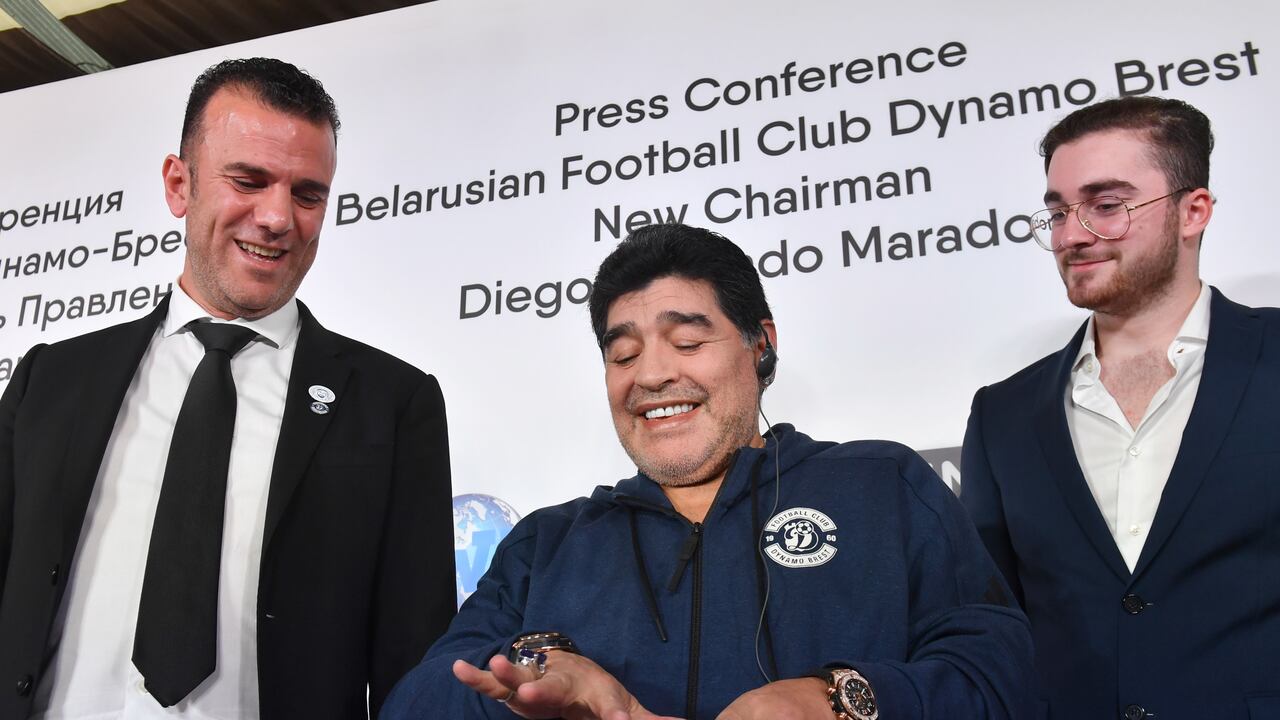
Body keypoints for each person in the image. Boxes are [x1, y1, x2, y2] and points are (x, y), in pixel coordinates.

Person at [382, 223, 1033, 720]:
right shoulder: (545, 546)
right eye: (624, 353)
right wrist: (539, 675)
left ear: (763, 346)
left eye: (688, 342)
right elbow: (421, 699)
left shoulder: (881, 488)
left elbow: (1002, 675)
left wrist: (838, 697)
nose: (653, 374)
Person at [0, 58, 454, 720]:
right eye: (249, 180)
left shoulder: (393, 404)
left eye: (307, 194)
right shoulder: (52, 378)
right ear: (178, 185)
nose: (277, 217)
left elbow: (413, 662)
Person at [961, 95, 1280, 719]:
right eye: (1058, 212)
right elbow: (994, 621)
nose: (1073, 235)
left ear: (1194, 212)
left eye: (1107, 206)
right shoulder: (1002, 415)